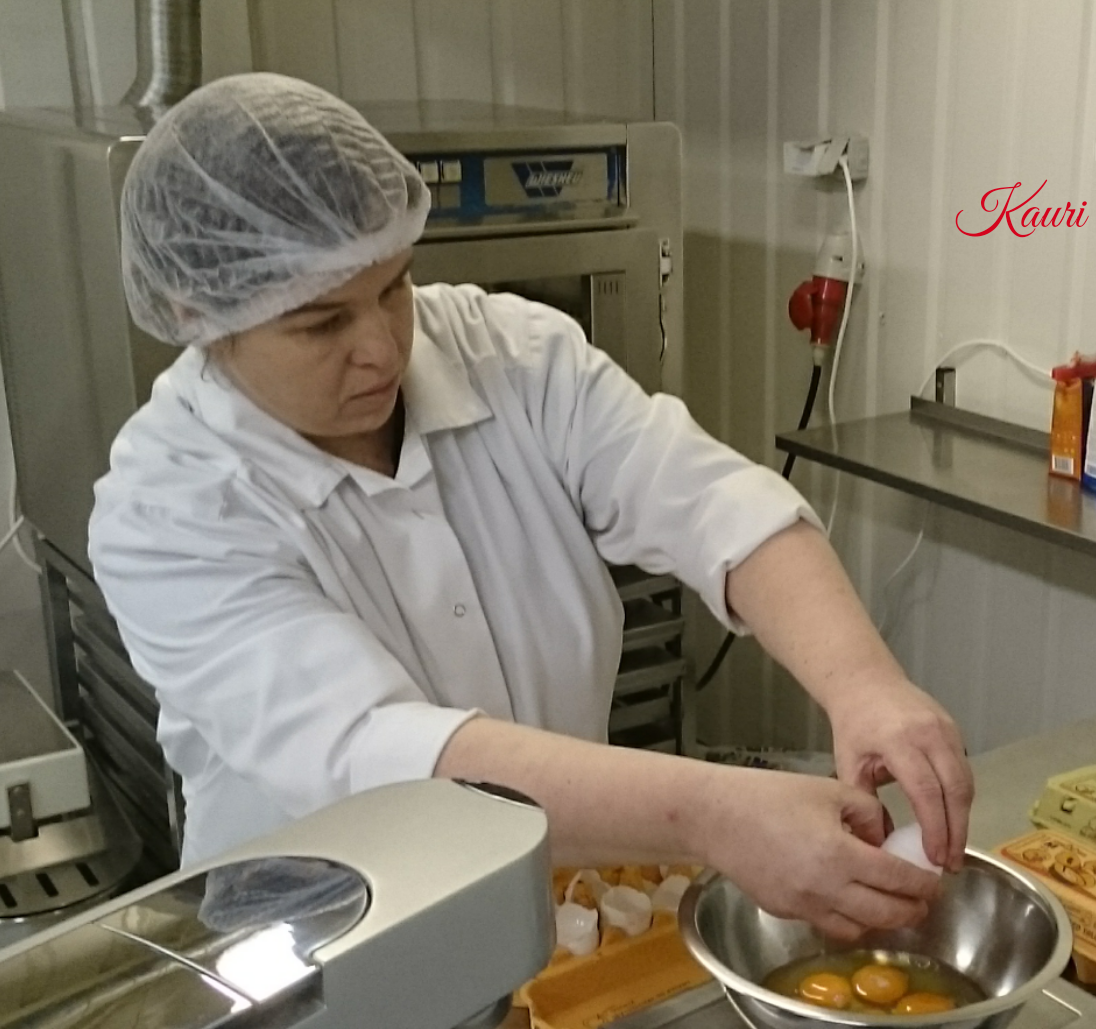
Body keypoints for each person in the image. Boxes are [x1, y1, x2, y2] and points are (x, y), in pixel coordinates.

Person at [91, 73, 973, 942]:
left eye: (394, 286)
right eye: (322, 323)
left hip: (548, 905)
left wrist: (865, 685)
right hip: (317, 947)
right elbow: (377, 754)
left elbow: (709, 502)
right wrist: (708, 815)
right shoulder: (167, 511)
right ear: (199, 313)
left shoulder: (508, 354)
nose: (383, 349)